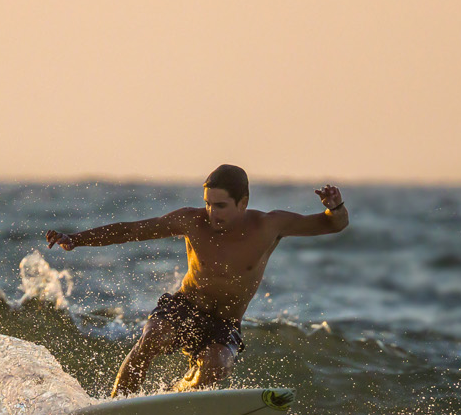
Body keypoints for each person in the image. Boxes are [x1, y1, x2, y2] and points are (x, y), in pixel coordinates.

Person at [47, 165, 348, 395]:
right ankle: (116, 410)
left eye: (220, 206)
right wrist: (76, 238)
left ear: (243, 203)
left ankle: (172, 404)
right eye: (207, 203)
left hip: (225, 323)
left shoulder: (269, 225)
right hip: (184, 307)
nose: (211, 212)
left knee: (216, 367)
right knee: (152, 338)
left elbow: (333, 225)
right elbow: (131, 230)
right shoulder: (191, 221)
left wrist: (335, 207)